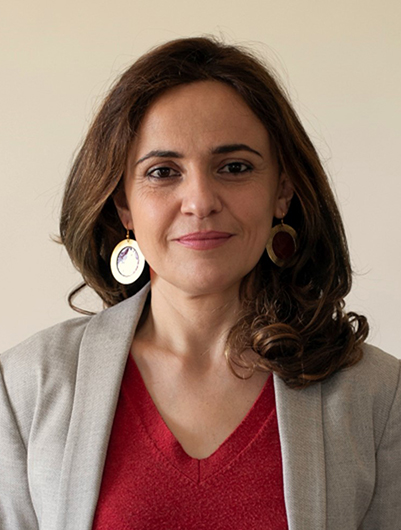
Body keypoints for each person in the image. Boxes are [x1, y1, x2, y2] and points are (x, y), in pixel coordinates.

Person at [0, 37, 400, 530]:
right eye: (163, 172)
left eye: (234, 167)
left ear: (282, 191)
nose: (200, 201)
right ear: (124, 205)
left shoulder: (379, 395)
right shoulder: (25, 385)